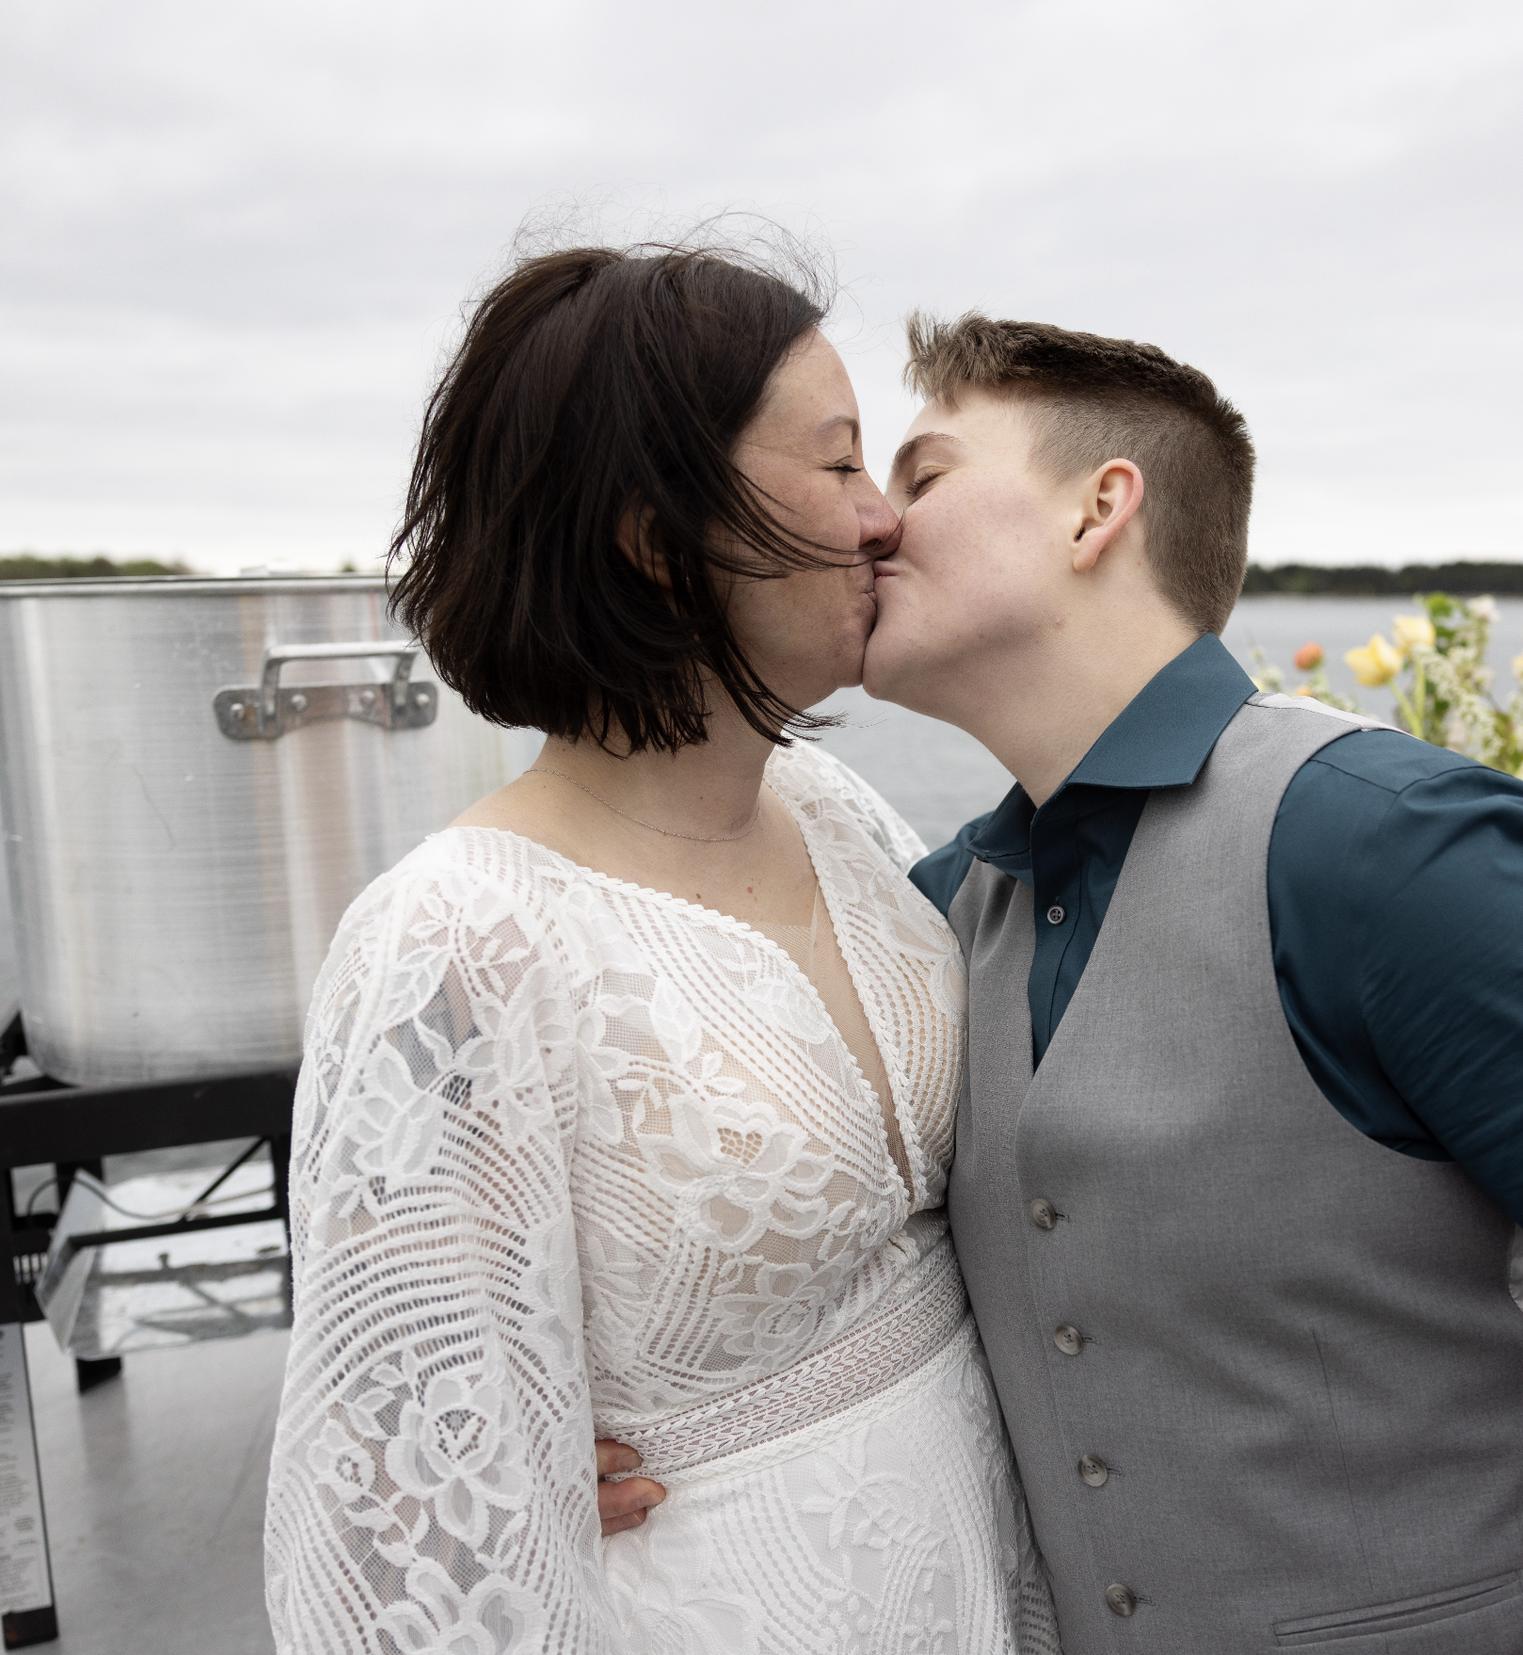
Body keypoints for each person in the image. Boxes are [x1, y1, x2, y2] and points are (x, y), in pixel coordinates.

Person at [855, 314, 1523, 1654]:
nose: (870, 525)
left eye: (923, 474)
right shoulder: (939, 911)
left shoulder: (1402, 853)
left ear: (1098, 510)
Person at [262, 247, 1059, 1654]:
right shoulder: (457, 938)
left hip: (981, 1570)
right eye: (838, 464)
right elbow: (406, 1529)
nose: (886, 518)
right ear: (654, 538)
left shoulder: (837, 811)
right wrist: (491, 1475)